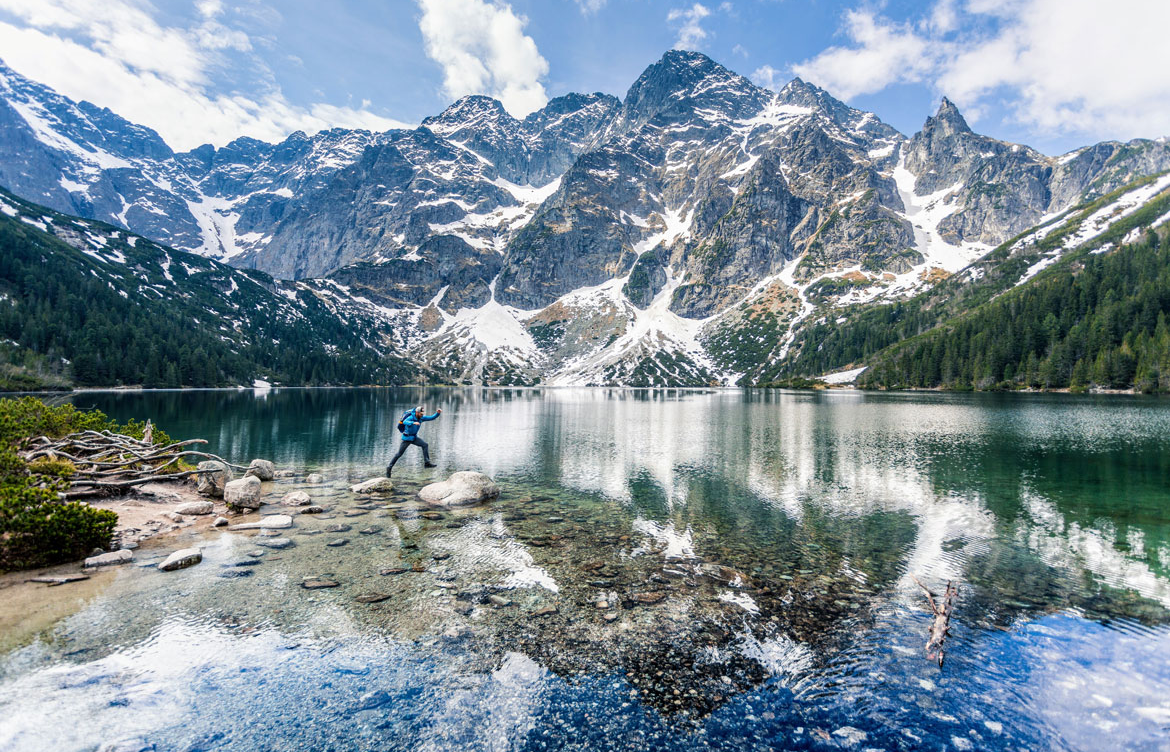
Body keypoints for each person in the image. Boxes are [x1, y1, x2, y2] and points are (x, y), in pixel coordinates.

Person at [386, 405, 442, 477]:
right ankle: (389, 467)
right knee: (399, 454)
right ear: (417, 412)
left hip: (414, 438)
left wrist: (437, 413)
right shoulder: (411, 417)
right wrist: (413, 423)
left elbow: (431, 417)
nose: (422, 415)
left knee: (425, 445)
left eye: (423, 414)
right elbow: (405, 422)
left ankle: (427, 463)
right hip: (407, 439)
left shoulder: (421, 418)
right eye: (421, 414)